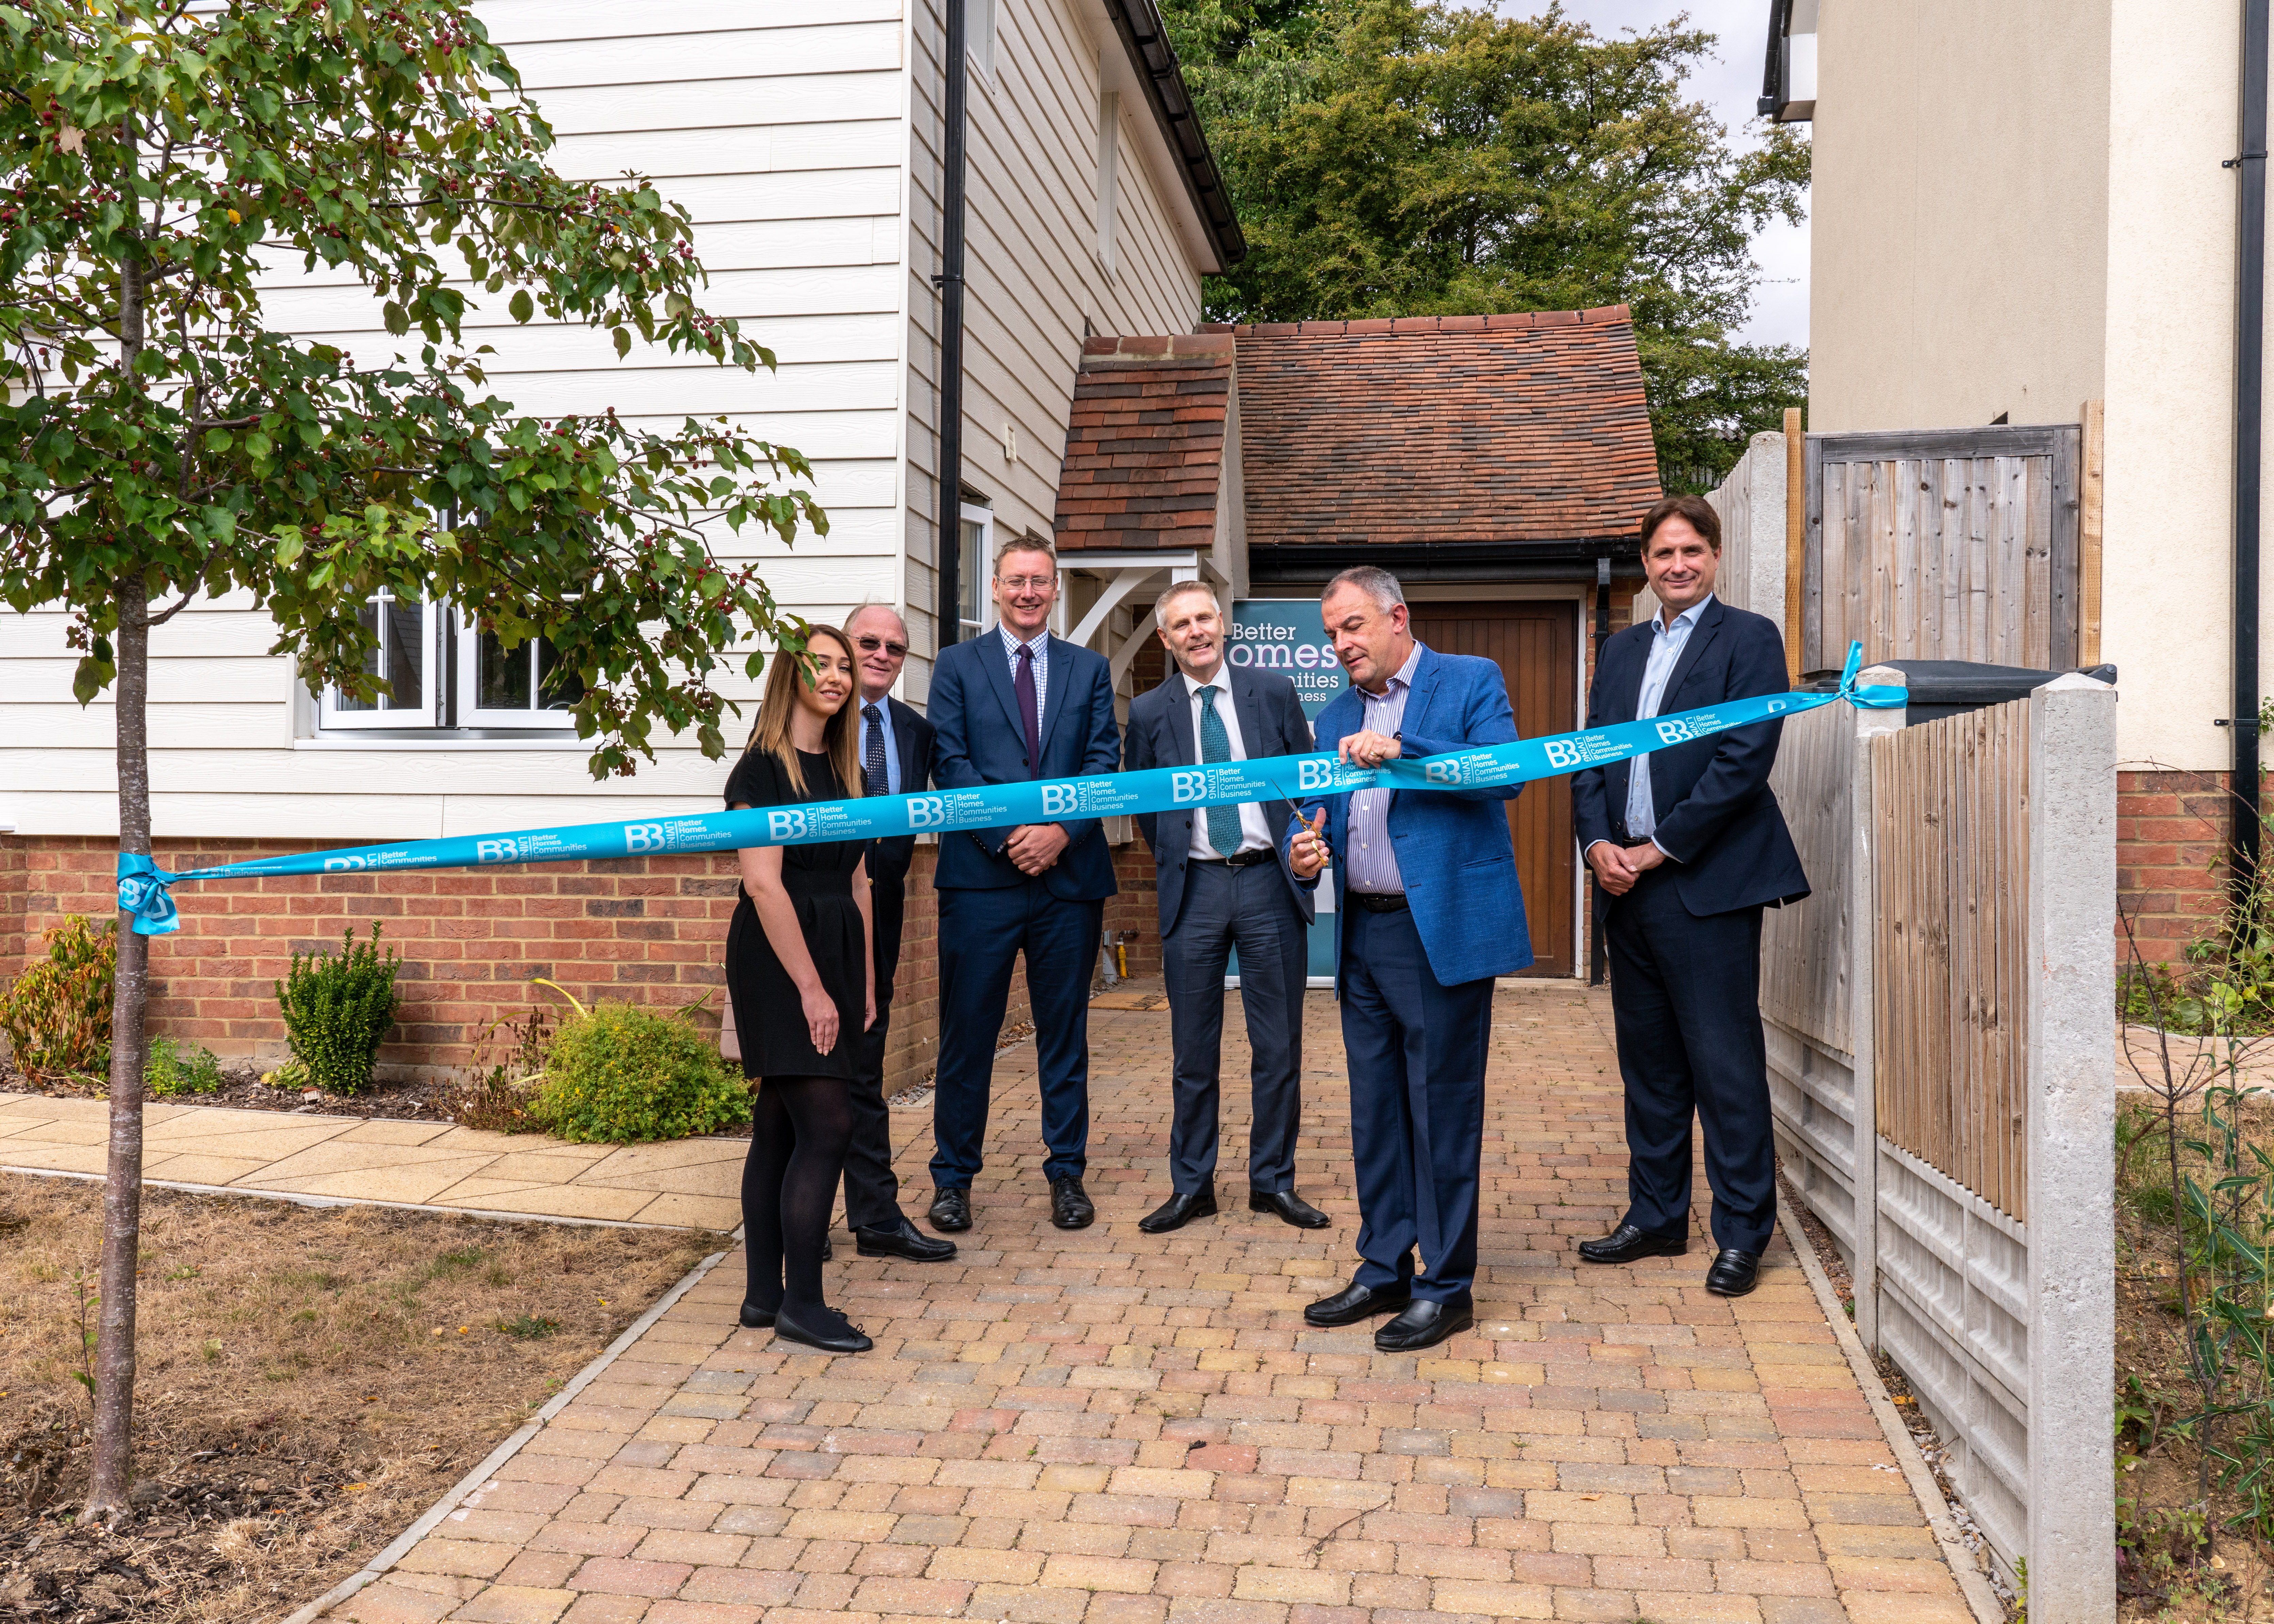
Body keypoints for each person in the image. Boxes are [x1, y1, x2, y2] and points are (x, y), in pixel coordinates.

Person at [1571, 494, 1809, 1299]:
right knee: (1652, 1069)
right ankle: (1657, 1215)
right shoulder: (1622, 648)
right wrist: (1599, 843)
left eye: (1692, 552)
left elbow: (1744, 759)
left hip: (1703, 884)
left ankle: (1742, 1233)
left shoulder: (1748, 640)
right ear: (1645, 564)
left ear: (1715, 557)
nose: (1677, 565)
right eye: (1663, 553)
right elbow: (1589, 754)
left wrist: (1657, 846)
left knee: (1724, 1067)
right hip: (1624, 887)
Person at [1286, 566, 1528, 1352]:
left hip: (1441, 931)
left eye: (1352, 627)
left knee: (1442, 1111)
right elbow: (1323, 816)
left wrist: (1403, 749)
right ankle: (1384, 1263)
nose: (1340, 645)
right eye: (1331, 633)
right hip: (1364, 934)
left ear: (1398, 618)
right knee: (1377, 1112)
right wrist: (1307, 849)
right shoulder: (1329, 720)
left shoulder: (1468, 681)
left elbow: (1507, 774)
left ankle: (1446, 1285)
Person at [924, 537, 1123, 1235]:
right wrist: (1013, 836)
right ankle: (953, 1180)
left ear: (1054, 587)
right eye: (1017, 581)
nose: (1029, 592)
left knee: (1063, 1036)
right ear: (996, 585)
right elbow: (949, 762)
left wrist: (1060, 834)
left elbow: (1104, 759)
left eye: (1041, 581)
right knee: (966, 1034)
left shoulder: (1089, 668)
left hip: (1068, 881)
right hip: (982, 879)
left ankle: (1067, 1173)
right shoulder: (956, 665)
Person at [1123, 580, 1328, 1235]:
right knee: (1193, 1050)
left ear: (1223, 624)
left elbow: (1308, 781)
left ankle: (1273, 1182)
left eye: (1205, 617)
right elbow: (1147, 806)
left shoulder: (1271, 692)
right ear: (1166, 638)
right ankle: (1193, 1186)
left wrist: (1304, 843)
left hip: (1269, 883)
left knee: (1278, 1045)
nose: (1196, 631)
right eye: (1181, 624)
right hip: (1198, 889)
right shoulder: (1150, 711)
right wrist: (1187, 854)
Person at [724, 624, 876, 1355]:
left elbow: (858, 879)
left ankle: (763, 1296)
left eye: (845, 665)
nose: (838, 675)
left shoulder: (849, 771)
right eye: (820, 663)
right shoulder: (759, 770)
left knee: (780, 1125)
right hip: (781, 957)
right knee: (829, 1125)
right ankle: (804, 1304)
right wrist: (815, 989)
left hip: (838, 946)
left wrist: (866, 979)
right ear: (790, 673)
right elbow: (762, 880)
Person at [836, 604, 958, 1263]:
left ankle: (875, 1215)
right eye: (869, 641)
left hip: (883, 914)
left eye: (896, 647)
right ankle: (799, 1212)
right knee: (806, 1063)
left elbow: (962, 793)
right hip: (814, 913)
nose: (882, 653)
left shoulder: (915, 731)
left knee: (866, 1059)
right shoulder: (813, 718)